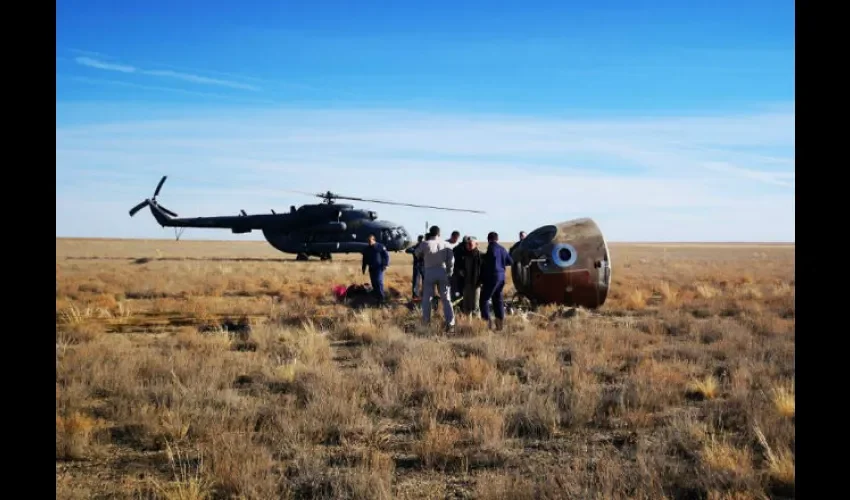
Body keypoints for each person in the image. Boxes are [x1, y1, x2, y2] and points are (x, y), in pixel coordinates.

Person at [415, 225, 455, 332]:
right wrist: (449, 272)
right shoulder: (446, 244)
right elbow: (451, 261)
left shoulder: (425, 243)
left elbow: (416, 253)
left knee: (427, 298)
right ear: (439, 233)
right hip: (443, 270)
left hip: (429, 270)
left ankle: (426, 321)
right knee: (446, 299)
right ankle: (450, 323)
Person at [480, 231, 513, 330]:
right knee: (498, 300)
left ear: (488, 239)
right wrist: (501, 264)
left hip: (492, 277)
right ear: (497, 239)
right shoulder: (503, 249)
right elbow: (510, 261)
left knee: (484, 299)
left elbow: (488, 263)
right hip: (501, 277)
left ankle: (487, 324)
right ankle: (500, 324)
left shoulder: (491, 248)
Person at [361, 233, 390, 306]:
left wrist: (386, 264)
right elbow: (364, 259)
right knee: (374, 283)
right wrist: (363, 268)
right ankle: (377, 298)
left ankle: (382, 299)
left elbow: (386, 255)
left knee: (378, 282)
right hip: (371, 268)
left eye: (370, 241)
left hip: (379, 268)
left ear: (374, 240)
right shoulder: (366, 249)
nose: (369, 242)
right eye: (368, 241)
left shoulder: (380, 246)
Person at [460, 236, 483, 315]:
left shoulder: (481, 256)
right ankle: (467, 324)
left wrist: (481, 282)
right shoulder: (464, 256)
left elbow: (484, 271)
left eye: (470, 244)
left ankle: (477, 325)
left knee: (475, 306)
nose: (468, 245)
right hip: (466, 284)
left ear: (476, 244)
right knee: (466, 306)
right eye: (467, 244)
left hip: (476, 284)